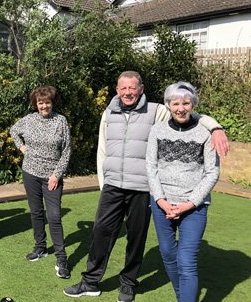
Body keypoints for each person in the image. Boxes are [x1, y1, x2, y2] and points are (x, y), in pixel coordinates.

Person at [63, 71, 228, 302]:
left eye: (132, 88)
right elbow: (103, 146)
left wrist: (216, 127)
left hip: (142, 187)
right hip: (113, 186)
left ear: (140, 88)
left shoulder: (156, 110)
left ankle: (128, 284)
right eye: (123, 88)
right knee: (101, 233)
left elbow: (186, 112)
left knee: (136, 238)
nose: (128, 92)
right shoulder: (108, 112)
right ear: (117, 90)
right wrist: (103, 181)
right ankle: (90, 281)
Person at [147, 82, 219, 302]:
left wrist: (189, 203)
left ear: (193, 105)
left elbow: (211, 173)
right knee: (168, 255)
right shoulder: (157, 130)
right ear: (168, 105)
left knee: (186, 261)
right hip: (162, 205)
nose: (180, 108)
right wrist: (161, 200)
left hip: (194, 208)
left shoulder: (205, 133)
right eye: (175, 103)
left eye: (186, 103)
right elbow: (151, 166)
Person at [10, 86, 72, 279]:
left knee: (54, 216)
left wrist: (56, 175)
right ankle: (40, 248)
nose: (44, 106)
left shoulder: (60, 121)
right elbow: (13, 130)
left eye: (47, 102)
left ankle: (62, 259)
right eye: (40, 103)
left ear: (52, 102)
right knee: (36, 212)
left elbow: (67, 150)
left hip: (52, 177)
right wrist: (21, 147)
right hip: (30, 173)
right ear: (35, 104)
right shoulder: (28, 120)